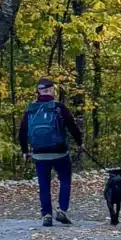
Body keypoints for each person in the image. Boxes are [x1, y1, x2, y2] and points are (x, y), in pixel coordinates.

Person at [18, 79, 83, 227]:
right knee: (65, 180)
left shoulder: (31, 109)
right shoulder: (59, 107)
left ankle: (46, 214)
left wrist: (24, 150)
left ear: (38, 91)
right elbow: (72, 126)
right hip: (60, 151)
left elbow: (22, 131)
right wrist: (80, 142)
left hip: (39, 153)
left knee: (44, 184)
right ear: (52, 90)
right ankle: (62, 211)